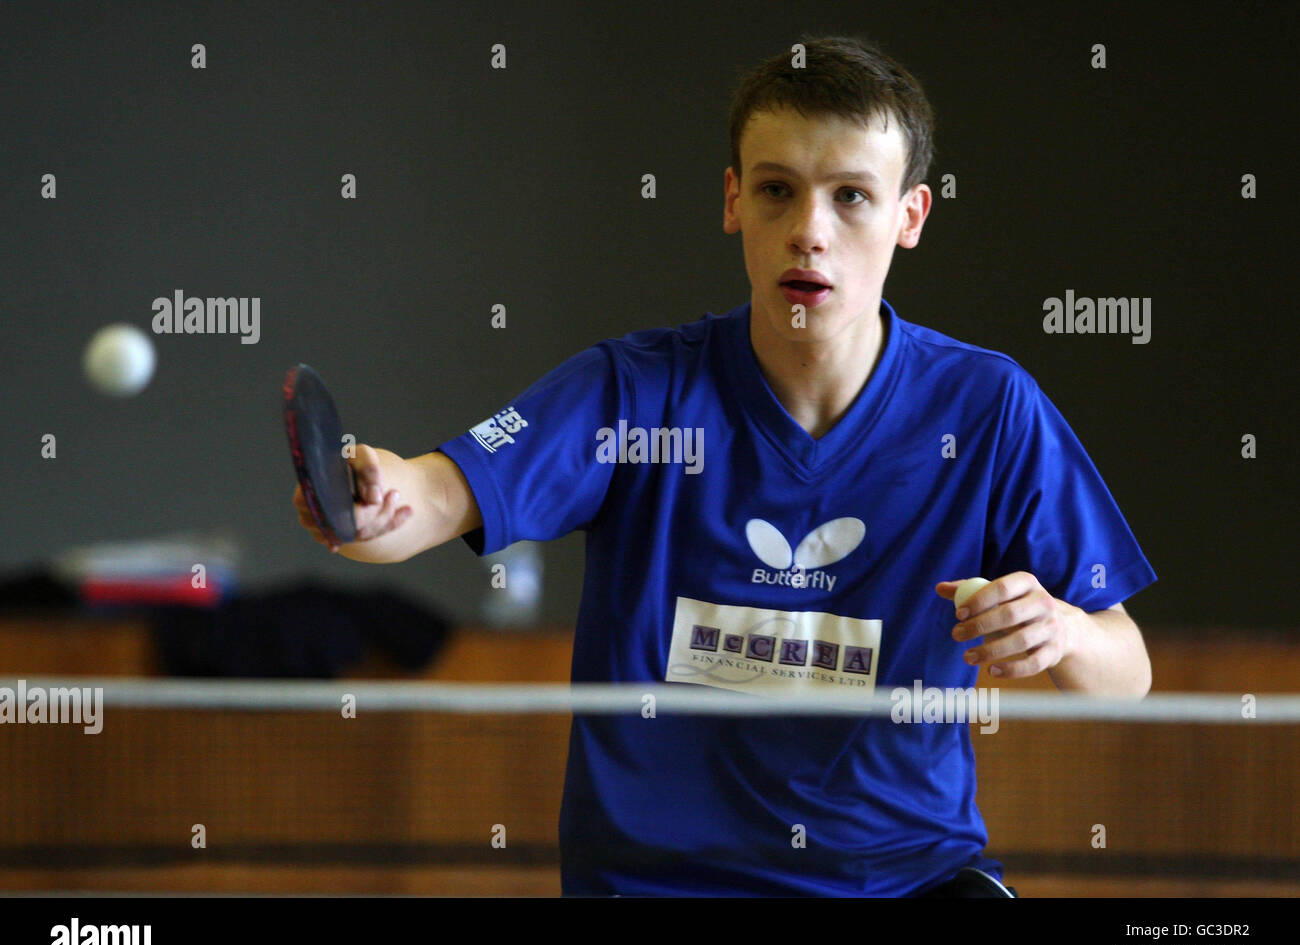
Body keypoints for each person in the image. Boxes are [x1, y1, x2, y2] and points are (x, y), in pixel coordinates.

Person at [293, 34, 1156, 896]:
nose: (810, 233)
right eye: (779, 191)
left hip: (903, 883)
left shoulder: (988, 410)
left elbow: (1127, 676)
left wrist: (1065, 631)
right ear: (735, 201)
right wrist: (370, 500)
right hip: (663, 885)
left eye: (852, 196)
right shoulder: (632, 396)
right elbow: (429, 500)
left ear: (911, 216)